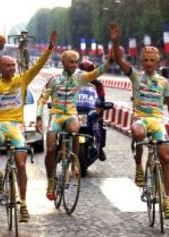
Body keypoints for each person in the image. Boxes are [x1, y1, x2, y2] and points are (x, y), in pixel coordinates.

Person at [0, 30, 57, 223]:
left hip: (17, 128)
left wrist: (50, 49)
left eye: (14, 65)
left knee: (21, 164)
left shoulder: (22, 81)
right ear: (0, 67)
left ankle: (23, 203)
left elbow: (37, 66)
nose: (13, 68)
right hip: (1, 126)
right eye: (9, 66)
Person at [109, 22, 169, 219]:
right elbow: (118, 59)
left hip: (157, 121)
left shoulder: (164, 82)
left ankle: (166, 200)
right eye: (146, 60)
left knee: (166, 157)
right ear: (142, 62)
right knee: (139, 133)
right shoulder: (135, 77)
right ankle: (139, 166)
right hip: (140, 119)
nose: (149, 63)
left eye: (152, 60)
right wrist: (115, 42)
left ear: (157, 62)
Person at [35, 50, 113, 201]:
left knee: (75, 128)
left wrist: (109, 61)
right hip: (56, 116)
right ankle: (50, 181)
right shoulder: (54, 80)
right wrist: (38, 117)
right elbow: (42, 100)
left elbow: (97, 73)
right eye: (71, 62)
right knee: (50, 147)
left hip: (71, 115)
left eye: (76, 62)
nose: (74, 65)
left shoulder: (80, 78)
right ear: (64, 63)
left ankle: (75, 162)